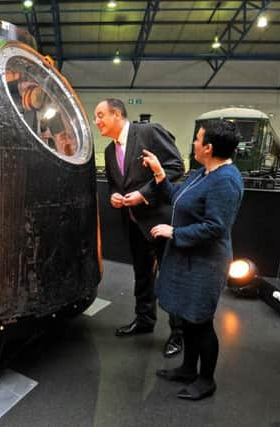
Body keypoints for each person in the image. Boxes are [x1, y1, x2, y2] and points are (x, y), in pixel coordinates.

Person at [141, 119, 244, 400]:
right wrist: (161, 174)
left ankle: (206, 380)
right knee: (187, 319)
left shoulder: (226, 181)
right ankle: (188, 369)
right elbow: (178, 198)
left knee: (200, 322)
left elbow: (216, 227)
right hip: (187, 256)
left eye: (197, 140)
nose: (194, 144)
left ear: (208, 148)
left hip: (205, 263)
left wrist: (174, 232)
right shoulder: (203, 173)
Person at [94, 98, 185, 358]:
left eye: (100, 115)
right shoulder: (110, 152)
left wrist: (144, 194)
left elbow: (175, 166)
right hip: (132, 222)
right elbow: (115, 184)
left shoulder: (149, 132)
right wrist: (114, 196)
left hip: (160, 220)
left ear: (117, 114)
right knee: (142, 273)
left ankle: (178, 333)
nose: (96, 121)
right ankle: (144, 320)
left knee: (169, 275)